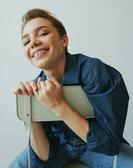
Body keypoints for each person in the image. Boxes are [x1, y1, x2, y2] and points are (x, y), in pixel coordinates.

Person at [9, 9, 133, 168]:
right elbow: (44, 157)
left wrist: (58, 105)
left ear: (64, 40)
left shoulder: (96, 73)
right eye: (26, 41)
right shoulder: (35, 87)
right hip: (59, 150)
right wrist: (30, 110)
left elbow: (109, 144)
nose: (33, 42)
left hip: (99, 149)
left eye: (42, 33)